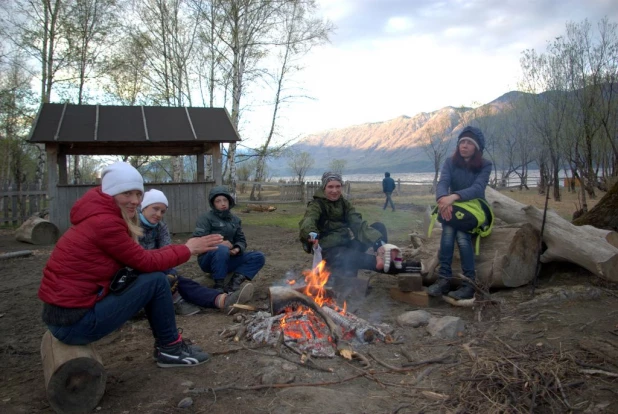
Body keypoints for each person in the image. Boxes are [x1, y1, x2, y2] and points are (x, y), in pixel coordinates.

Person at [38, 161, 222, 368]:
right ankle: (170, 349)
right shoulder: (104, 223)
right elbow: (145, 261)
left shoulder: (99, 217)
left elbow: (141, 257)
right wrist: (188, 249)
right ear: (111, 193)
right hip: (74, 324)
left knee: (153, 279)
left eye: (138, 194)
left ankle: (171, 345)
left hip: (66, 317)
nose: (135, 201)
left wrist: (183, 248)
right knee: (156, 281)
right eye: (127, 194)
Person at [138, 189, 254, 316]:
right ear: (144, 207)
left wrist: (236, 248)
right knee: (167, 279)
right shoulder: (130, 225)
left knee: (179, 280)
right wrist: (218, 243)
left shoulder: (161, 227)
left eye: (162, 211)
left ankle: (223, 300)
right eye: (155, 209)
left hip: (157, 266)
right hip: (135, 272)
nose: (159, 214)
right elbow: (135, 258)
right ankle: (177, 301)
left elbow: (166, 251)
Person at [299, 172, 419, 285]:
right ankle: (412, 267)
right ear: (324, 188)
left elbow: (357, 224)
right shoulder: (316, 205)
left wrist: (379, 244)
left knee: (378, 227)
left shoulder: (344, 204)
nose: (334, 191)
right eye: (330, 187)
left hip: (346, 245)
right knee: (364, 260)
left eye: (337, 186)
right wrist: (312, 234)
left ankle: (381, 255)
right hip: (330, 252)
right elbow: (308, 221)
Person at [427, 126, 493, 301]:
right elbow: (443, 182)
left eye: (469, 143)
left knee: (463, 237)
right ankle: (444, 279)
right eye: (462, 142)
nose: (464, 145)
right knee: (447, 234)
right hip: (453, 207)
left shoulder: (485, 165)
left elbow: (478, 188)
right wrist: (442, 198)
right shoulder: (450, 162)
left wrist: (453, 197)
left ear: (476, 147)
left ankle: (469, 283)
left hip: (474, 208)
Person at [193, 186, 266, 293]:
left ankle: (234, 284)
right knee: (222, 249)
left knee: (259, 256)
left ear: (229, 201)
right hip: (208, 260)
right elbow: (197, 240)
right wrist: (220, 244)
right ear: (213, 204)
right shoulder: (205, 218)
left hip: (229, 258)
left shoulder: (235, 219)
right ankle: (219, 286)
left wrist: (236, 249)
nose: (223, 203)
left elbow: (241, 240)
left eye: (225, 200)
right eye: (218, 201)